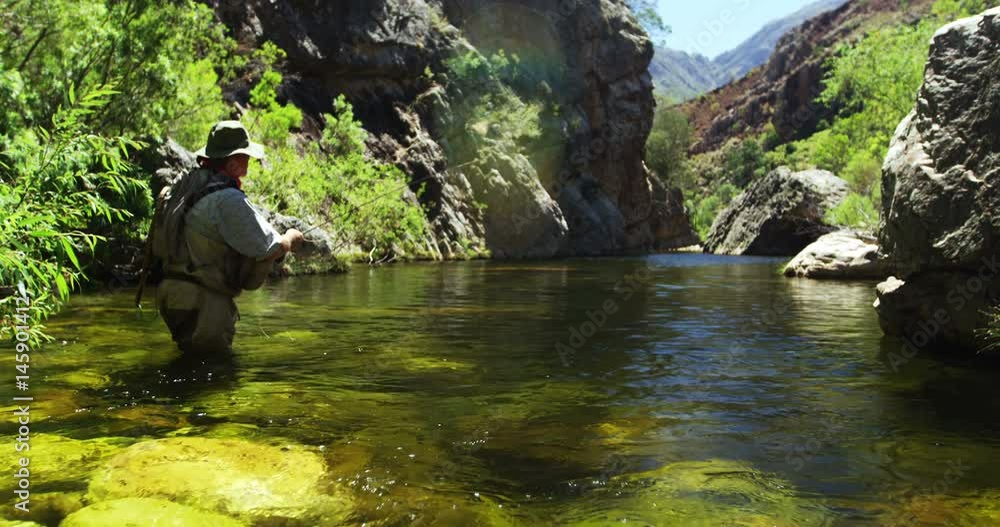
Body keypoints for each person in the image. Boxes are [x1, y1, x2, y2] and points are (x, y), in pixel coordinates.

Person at [149, 120, 304, 353]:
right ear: (232, 164)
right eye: (246, 156)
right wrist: (292, 237)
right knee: (215, 375)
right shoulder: (227, 199)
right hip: (203, 303)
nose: (249, 161)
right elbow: (271, 248)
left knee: (190, 368)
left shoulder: (184, 188)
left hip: (170, 296)